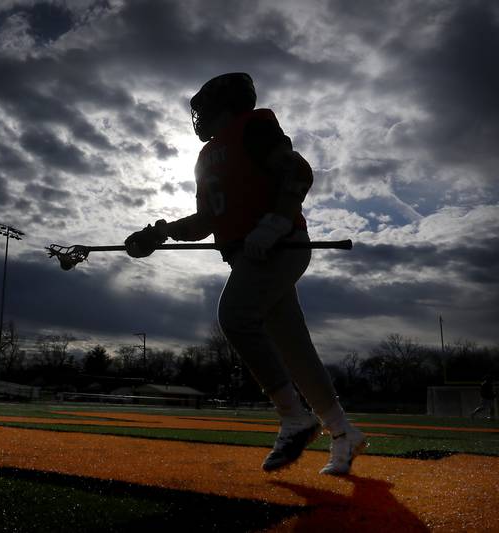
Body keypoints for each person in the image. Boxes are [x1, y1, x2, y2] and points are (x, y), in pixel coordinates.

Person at [124, 73, 366, 475]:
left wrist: (275, 221)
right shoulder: (207, 157)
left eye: (203, 109)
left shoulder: (253, 128)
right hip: (250, 256)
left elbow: (298, 172)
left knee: (235, 316)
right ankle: (342, 432)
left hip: (279, 245)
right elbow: (206, 220)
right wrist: (161, 233)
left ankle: (293, 417)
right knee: (294, 348)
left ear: (226, 105)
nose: (198, 117)